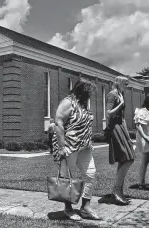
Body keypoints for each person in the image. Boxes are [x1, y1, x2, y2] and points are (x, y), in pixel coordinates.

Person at [52, 78, 100, 221]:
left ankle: (85, 207)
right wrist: (62, 147)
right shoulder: (68, 102)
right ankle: (68, 208)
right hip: (69, 146)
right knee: (68, 178)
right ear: (81, 90)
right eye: (88, 92)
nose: (90, 95)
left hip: (84, 146)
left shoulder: (83, 104)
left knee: (91, 174)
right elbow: (58, 123)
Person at [102, 76, 135, 205]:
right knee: (128, 158)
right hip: (115, 127)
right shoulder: (113, 94)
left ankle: (118, 191)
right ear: (119, 83)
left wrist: (128, 135)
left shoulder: (120, 94)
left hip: (121, 126)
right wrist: (120, 104)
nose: (126, 87)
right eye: (125, 84)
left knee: (126, 159)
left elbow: (123, 118)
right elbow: (108, 113)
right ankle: (117, 191)